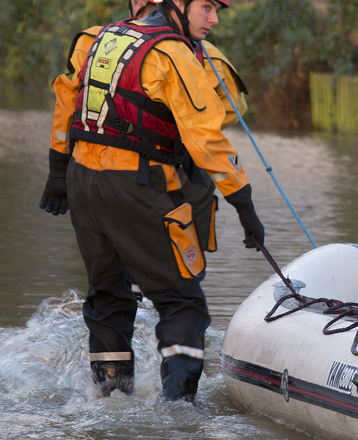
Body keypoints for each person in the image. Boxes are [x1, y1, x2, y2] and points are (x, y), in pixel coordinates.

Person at [50, 0, 264, 403]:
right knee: (182, 300)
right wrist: (245, 204)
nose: (214, 19)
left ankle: (111, 398)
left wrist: (55, 172)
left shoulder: (97, 38)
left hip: (82, 183)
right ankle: (179, 411)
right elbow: (208, 138)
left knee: (108, 293)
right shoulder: (175, 53)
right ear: (177, 4)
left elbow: (68, 101)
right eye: (207, 7)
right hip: (137, 185)